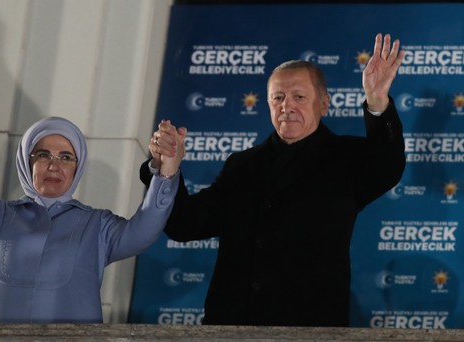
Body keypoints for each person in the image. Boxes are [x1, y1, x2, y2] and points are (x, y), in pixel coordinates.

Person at [141, 33, 406, 327]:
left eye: (299, 97)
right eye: (278, 98)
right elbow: (184, 225)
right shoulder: (241, 165)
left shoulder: (346, 158)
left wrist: (377, 100)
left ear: (324, 104)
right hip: (233, 327)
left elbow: (388, 165)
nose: (286, 106)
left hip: (309, 328)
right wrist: (166, 168)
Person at [0, 92, 183, 323]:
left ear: (77, 167)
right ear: (26, 163)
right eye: (42, 155)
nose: (54, 165)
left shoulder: (98, 226)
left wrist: (167, 171)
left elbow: (144, 230)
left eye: (65, 157)